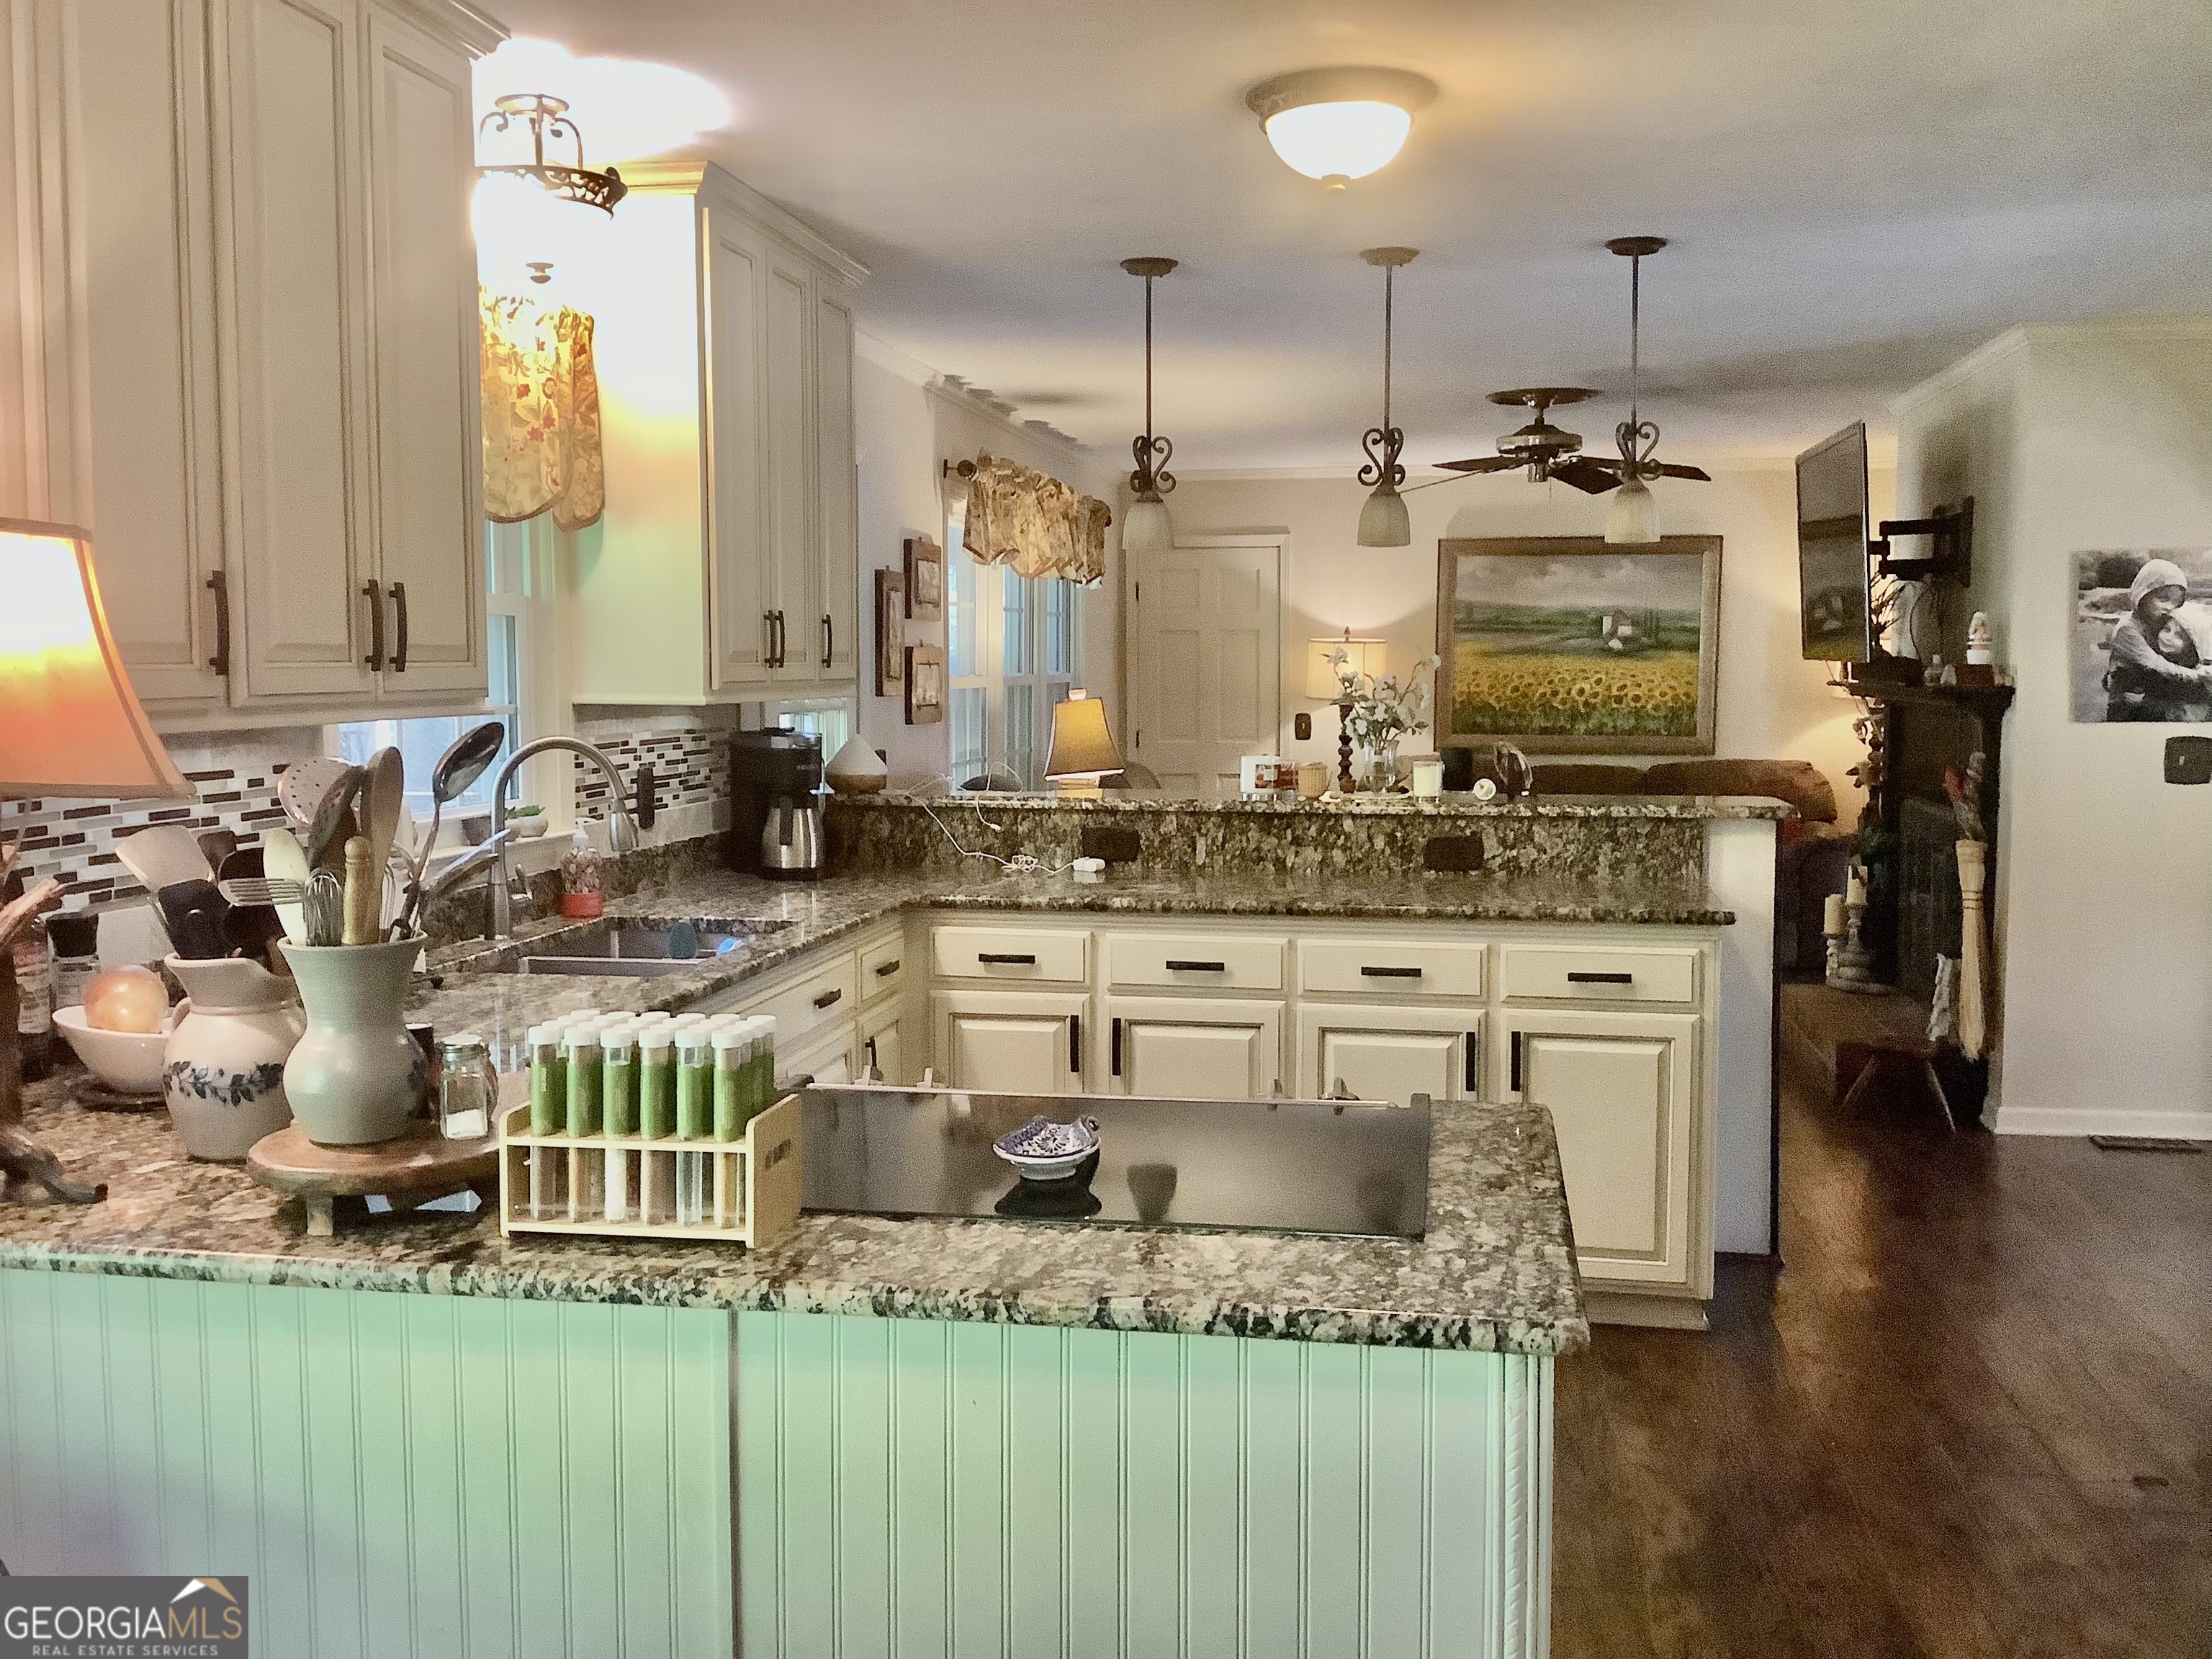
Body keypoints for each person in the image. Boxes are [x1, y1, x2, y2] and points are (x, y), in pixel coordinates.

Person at [2105, 558, 2212, 721]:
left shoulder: (2155, 621)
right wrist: (2198, 676)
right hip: (2126, 703)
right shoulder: (2127, 629)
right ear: (2142, 594)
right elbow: (2156, 664)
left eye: (2176, 602)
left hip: (2148, 690)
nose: (2169, 607)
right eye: (2163, 598)